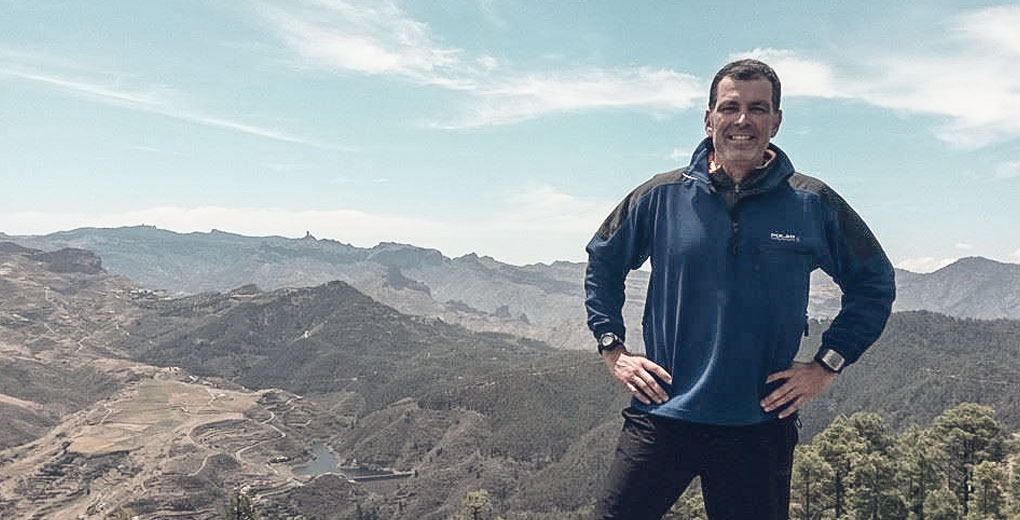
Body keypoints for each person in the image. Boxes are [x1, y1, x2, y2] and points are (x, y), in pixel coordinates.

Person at [583, 59, 896, 520]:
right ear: (709, 119)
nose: (743, 120)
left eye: (757, 108)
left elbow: (874, 282)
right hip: (663, 413)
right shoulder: (660, 196)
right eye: (730, 107)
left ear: (776, 121)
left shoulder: (812, 203)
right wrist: (613, 348)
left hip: (758, 425)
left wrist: (827, 364)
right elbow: (603, 261)